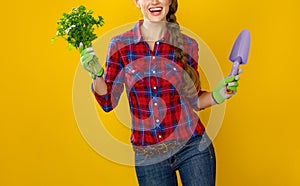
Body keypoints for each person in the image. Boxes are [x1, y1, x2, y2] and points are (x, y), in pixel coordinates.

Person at [79, 0, 240, 185]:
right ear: (137, 2)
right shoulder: (120, 45)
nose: (155, 1)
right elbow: (108, 102)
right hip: (149, 156)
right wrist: (96, 74)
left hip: (193, 147)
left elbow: (194, 100)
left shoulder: (188, 45)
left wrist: (218, 94)